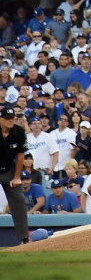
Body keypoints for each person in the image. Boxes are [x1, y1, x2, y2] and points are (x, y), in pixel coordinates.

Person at [0, 104, 29, 244]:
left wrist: (17, 177)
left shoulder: (19, 132)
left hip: (10, 170)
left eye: (12, 118)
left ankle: (23, 238)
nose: (11, 120)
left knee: (19, 199)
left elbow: (20, 156)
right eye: (7, 118)